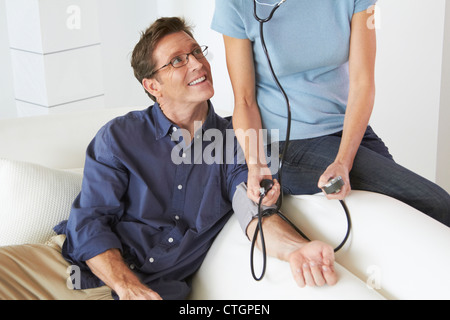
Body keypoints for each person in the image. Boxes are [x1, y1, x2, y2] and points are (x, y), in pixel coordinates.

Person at [0, 17, 339, 301]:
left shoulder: (236, 141)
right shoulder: (119, 137)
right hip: (67, 269)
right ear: (153, 85)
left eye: (196, 52)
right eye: (178, 60)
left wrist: (296, 248)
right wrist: (125, 284)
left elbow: (256, 213)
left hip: (156, 292)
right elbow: (90, 221)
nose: (197, 64)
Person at [211, 0, 450, 225]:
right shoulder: (236, 4)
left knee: (411, 214)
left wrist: (342, 161)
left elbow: (362, 84)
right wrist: (256, 165)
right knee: (436, 204)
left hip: (347, 130)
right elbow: (244, 101)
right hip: (287, 143)